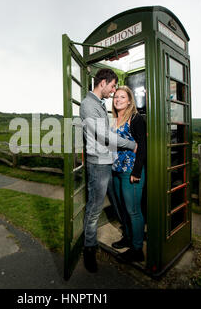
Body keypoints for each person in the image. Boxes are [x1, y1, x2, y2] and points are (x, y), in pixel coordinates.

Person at [80, 69, 137, 273]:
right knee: (94, 209)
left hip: (108, 162)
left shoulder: (98, 104)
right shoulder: (88, 105)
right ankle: (89, 249)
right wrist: (131, 145)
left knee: (118, 202)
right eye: (113, 86)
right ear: (103, 82)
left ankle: (130, 236)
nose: (113, 91)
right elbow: (104, 136)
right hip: (98, 164)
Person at [111, 85, 147, 263]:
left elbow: (142, 147)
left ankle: (137, 249)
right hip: (116, 171)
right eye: (116, 97)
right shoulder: (114, 120)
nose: (118, 100)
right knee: (122, 208)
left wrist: (137, 172)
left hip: (130, 172)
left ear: (130, 100)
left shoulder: (135, 119)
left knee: (133, 211)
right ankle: (128, 236)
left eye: (122, 97)